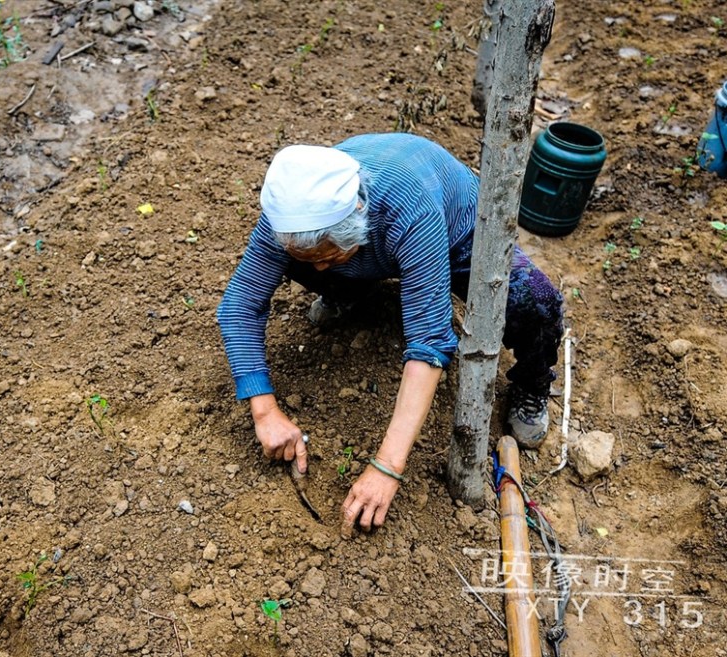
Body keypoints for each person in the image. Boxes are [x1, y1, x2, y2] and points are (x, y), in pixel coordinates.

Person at [216, 133, 563, 535]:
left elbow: (430, 343)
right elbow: (239, 305)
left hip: (458, 231)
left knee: (537, 302)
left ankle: (532, 384)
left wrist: (386, 467)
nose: (320, 267)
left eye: (330, 255)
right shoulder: (289, 215)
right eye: (315, 259)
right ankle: (352, 291)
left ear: (358, 212)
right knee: (296, 261)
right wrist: (264, 411)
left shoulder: (410, 209)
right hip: (371, 240)